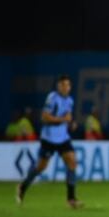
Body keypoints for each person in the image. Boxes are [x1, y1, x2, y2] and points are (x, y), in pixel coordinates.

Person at [16, 75, 84, 209]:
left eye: (68, 85)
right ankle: (22, 187)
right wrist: (63, 120)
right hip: (49, 139)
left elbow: (67, 118)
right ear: (58, 86)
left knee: (72, 161)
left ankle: (71, 199)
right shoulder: (53, 98)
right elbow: (44, 117)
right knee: (41, 167)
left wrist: (71, 123)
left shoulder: (70, 100)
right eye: (63, 85)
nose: (66, 87)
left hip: (63, 138)